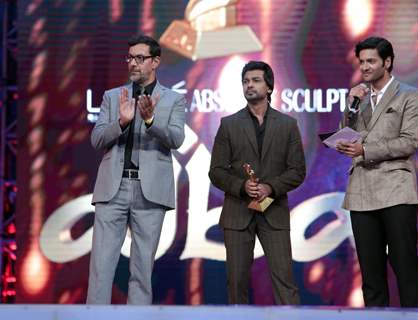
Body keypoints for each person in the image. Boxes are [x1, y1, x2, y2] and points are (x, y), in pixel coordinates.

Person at [87, 35, 186, 304]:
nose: (133, 63)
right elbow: (97, 140)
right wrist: (120, 122)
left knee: (142, 271)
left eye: (140, 58)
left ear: (155, 62)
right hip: (113, 189)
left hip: (150, 192)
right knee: (101, 269)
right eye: (130, 58)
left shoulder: (173, 100)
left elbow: (177, 139)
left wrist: (151, 121)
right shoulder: (112, 97)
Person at [337, 36, 418, 307]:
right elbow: (347, 132)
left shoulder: (411, 95)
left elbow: (409, 141)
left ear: (387, 62)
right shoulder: (359, 99)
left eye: (371, 61)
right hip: (362, 192)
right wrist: (351, 105)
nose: (364, 67)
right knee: (371, 274)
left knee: (405, 266)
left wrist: (365, 150)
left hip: (396, 191)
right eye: (362, 61)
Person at [209, 61, 306, 305]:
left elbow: (297, 171)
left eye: (255, 80)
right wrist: (242, 187)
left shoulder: (287, 124)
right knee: (236, 282)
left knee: (285, 281)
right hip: (237, 213)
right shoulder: (229, 124)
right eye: (245, 81)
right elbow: (216, 172)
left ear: (270, 87)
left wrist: (270, 187)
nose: (249, 85)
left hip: (273, 210)